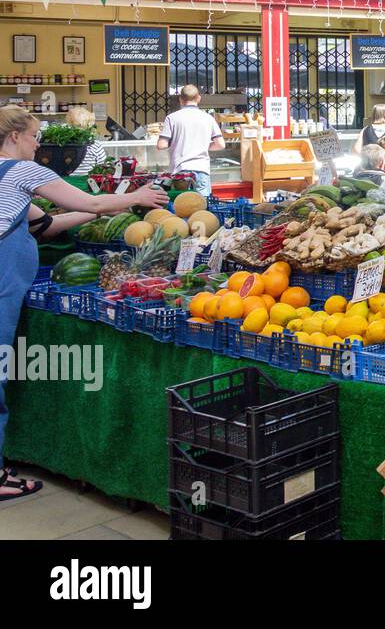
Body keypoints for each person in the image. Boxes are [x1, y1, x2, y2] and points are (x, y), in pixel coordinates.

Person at [0, 107, 168, 501]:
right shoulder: (22, 172)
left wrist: (121, 205)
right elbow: (89, 204)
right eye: (34, 136)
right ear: (12, 137)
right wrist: (137, 195)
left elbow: (47, 225)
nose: (38, 144)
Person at [157, 84, 225, 197]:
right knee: (202, 208)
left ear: (180, 99)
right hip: (202, 169)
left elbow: (161, 145)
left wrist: (176, 142)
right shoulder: (208, 118)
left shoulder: (172, 118)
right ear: (198, 98)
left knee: (181, 207)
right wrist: (203, 146)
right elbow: (220, 144)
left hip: (180, 171)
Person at [65, 106, 107, 178]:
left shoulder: (64, 143)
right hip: (88, 183)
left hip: (66, 183)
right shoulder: (95, 145)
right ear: (90, 125)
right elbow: (103, 167)